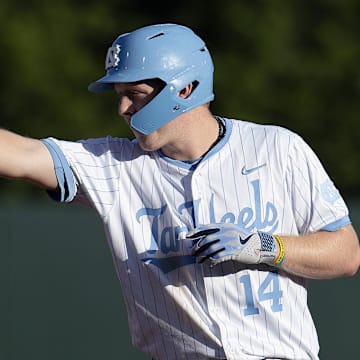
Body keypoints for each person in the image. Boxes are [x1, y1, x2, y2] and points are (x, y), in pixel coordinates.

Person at [0, 23, 359, 360]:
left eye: (134, 94)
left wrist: (265, 246)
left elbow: (345, 253)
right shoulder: (114, 165)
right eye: (120, 96)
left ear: (184, 89)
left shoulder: (277, 147)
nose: (122, 109)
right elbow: (23, 157)